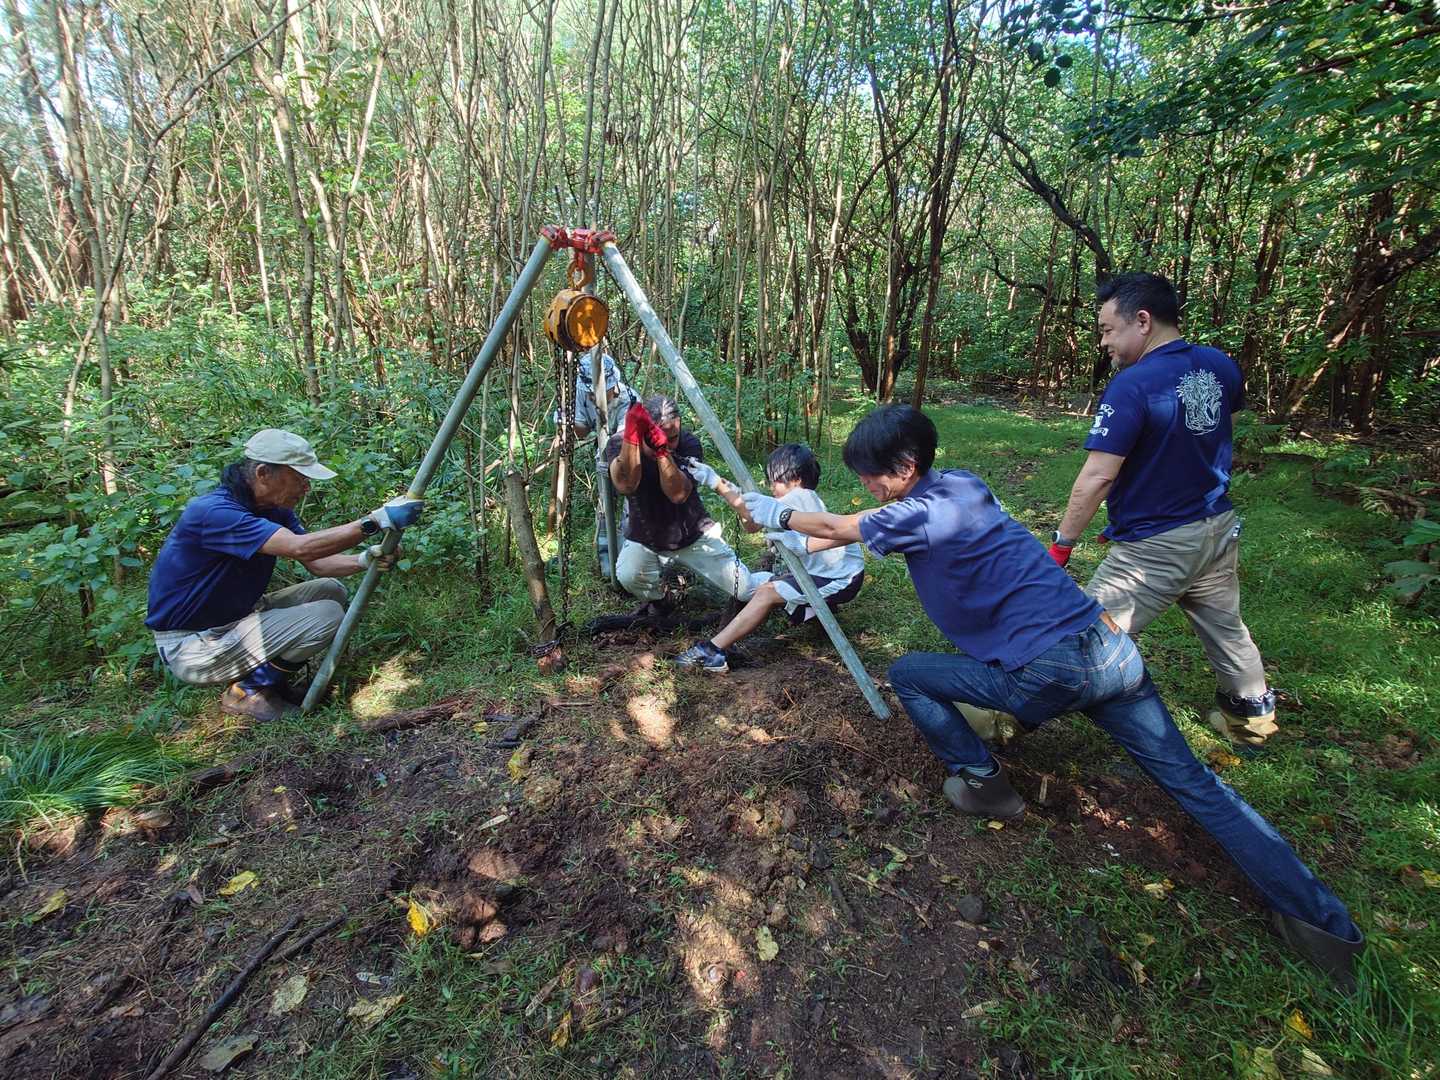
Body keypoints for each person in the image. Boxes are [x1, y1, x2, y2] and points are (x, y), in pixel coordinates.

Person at [741, 404, 1363, 988]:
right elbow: (840, 536)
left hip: (1051, 671)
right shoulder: (961, 485)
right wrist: (780, 524)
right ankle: (1324, 925)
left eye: (869, 476)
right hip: (1111, 650)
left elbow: (838, 525)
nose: (865, 486)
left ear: (905, 468)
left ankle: (985, 784)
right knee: (1196, 783)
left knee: (909, 673)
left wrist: (775, 512)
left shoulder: (918, 513)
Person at [1049, 272, 1278, 746]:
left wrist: (1062, 545)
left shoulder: (1133, 385)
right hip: (1216, 526)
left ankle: (997, 716)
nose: (1104, 343)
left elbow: (1098, 476)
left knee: (1083, 637)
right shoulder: (1220, 365)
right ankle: (1252, 720)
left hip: (1157, 545)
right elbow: (1224, 427)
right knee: (1226, 627)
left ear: (1143, 321)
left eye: (1108, 330)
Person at [145, 429, 424, 722]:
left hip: (235, 620)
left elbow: (318, 563)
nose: (306, 487)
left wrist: (364, 559)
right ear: (263, 473)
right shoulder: (214, 512)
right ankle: (247, 691)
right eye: (299, 478)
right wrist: (377, 520)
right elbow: (299, 547)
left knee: (331, 590)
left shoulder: (272, 509)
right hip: (194, 645)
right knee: (326, 615)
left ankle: (271, 683)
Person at [675, 443, 864, 673]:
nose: (771, 486)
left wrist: (715, 482)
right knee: (757, 584)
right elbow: (752, 525)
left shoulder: (801, 496)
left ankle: (712, 651)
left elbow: (752, 513)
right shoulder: (794, 501)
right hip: (822, 572)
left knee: (767, 592)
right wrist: (731, 491)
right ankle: (806, 611)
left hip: (841, 577)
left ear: (795, 479)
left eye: (775, 480)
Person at [604, 394, 755, 616]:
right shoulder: (620, 443)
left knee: (746, 590)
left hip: (693, 534)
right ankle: (662, 599)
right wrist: (632, 439)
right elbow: (626, 484)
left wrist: (662, 452)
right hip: (645, 537)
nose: (671, 442)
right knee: (629, 575)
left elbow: (678, 494)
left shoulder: (688, 443)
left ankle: (782, 584)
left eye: (673, 437)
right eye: (663, 437)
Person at [559, 347, 638, 577]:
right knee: (605, 509)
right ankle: (607, 564)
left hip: (630, 457)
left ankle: (630, 563)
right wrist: (567, 420)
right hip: (603, 455)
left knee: (632, 508)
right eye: (591, 393)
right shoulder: (582, 393)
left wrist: (611, 463)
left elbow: (625, 442)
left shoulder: (629, 400)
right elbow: (582, 431)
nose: (595, 397)